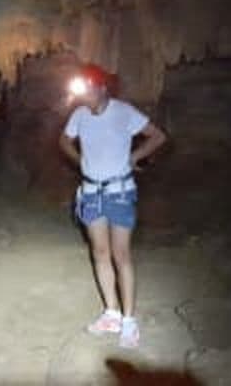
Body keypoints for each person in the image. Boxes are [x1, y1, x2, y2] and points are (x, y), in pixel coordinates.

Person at [59, 63, 167, 349]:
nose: (85, 96)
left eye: (89, 89)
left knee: (121, 255)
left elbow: (157, 136)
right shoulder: (79, 115)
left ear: (102, 88)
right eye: (82, 91)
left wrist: (135, 157)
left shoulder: (123, 111)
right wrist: (78, 159)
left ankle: (129, 321)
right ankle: (112, 313)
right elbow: (64, 140)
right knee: (100, 253)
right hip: (92, 191)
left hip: (119, 191)